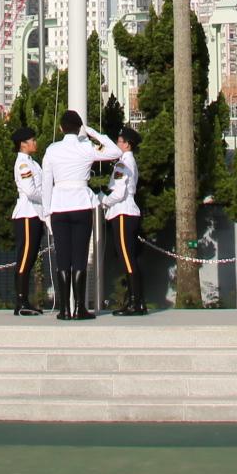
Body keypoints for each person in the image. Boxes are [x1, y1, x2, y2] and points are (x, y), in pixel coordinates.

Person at [41, 110, 118, 322]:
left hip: (58, 206)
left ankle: (65, 309)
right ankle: (80, 308)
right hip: (81, 206)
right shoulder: (85, 148)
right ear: (79, 128)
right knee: (80, 258)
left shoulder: (52, 150)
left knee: (62, 258)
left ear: (61, 128)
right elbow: (115, 152)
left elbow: (47, 183)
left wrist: (46, 212)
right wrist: (93, 132)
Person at [102, 129, 145, 316]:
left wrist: (104, 201)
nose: (117, 144)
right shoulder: (129, 162)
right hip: (128, 212)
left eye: (119, 141)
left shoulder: (123, 163)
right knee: (130, 258)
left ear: (127, 144)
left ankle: (135, 302)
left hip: (122, 213)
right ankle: (136, 300)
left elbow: (119, 193)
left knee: (127, 259)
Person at [8, 132, 47, 318]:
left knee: (30, 259)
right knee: (24, 258)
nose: (35, 143)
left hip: (35, 213)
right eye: (32, 140)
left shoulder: (33, 162)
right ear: (23, 144)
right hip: (27, 213)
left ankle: (25, 301)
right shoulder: (23, 163)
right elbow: (30, 191)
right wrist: (48, 198)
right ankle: (21, 301)